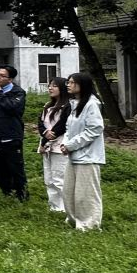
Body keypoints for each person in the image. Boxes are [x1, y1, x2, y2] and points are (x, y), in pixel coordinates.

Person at [59, 72, 105, 231]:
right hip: (74, 155)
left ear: (82, 85)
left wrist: (71, 145)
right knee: (69, 191)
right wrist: (65, 144)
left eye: (72, 82)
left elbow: (95, 129)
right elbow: (69, 128)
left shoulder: (92, 104)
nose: (68, 85)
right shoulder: (75, 104)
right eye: (68, 82)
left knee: (86, 193)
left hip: (88, 156)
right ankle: (74, 220)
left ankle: (89, 224)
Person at [0, 64, 28, 201]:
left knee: (15, 167)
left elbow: (12, 108)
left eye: (2, 75)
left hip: (12, 135)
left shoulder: (18, 92)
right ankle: (7, 193)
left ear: (10, 79)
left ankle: (22, 195)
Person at [37, 76, 71, 213]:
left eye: (54, 86)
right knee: (49, 178)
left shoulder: (67, 106)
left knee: (60, 177)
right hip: (47, 145)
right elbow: (40, 123)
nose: (50, 88)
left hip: (59, 145)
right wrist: (45, 133)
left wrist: (51, 135)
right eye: (50, 85)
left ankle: (65, 207)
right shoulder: (48, 106)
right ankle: (54, 206)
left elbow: (62, 125)